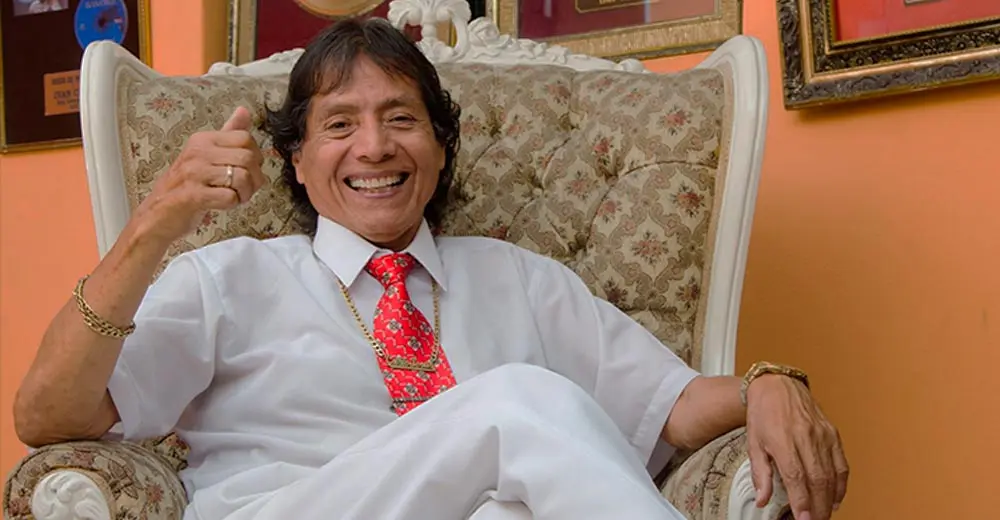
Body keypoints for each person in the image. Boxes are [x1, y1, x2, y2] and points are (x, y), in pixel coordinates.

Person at [13, 17, 848, 520]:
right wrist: (153, 226)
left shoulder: (519, 279)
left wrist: (769, 385)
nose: (374, 147)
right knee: (519, 402)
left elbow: (674, 404)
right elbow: (47, 415)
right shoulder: (227, 277)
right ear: (296, 160)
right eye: (340, 124)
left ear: (441, 150)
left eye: (402, 119)